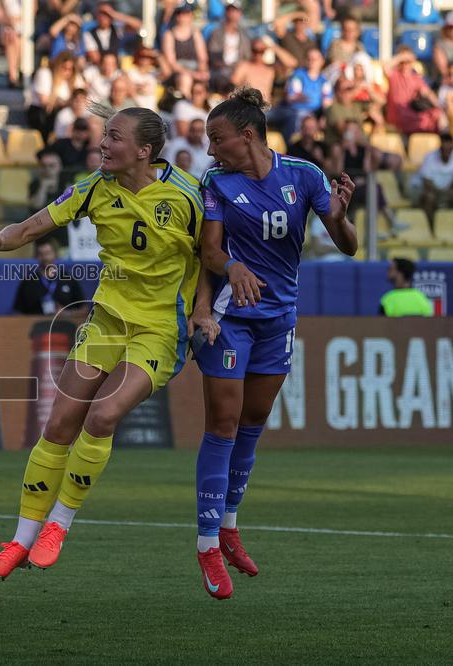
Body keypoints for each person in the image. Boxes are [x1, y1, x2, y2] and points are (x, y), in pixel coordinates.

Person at [0, 105, 212, 580]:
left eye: (114, 137)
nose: (102, 144)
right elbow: (34, 225)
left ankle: (59, 524)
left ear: (144, 151)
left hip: (161, 329)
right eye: (104, 135)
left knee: (103, 414)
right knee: (60, 421)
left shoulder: (189, 194)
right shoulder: (93, 187)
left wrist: (203, 310)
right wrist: (1, 239)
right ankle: (20, 541)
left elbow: (211, 257)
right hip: (106, 319)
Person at [193, 88, 356, 600]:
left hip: (279, 318)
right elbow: (210, 250)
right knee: (222, 423)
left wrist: (342, 215)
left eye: (216, 138)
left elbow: (348, 247)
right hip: (228, 317)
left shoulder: (304, 175)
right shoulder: (216, 182)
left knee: (252, 424)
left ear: (247, 134)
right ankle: (206, 546)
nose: (210, 148)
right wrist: (233, 268)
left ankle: (230, 526)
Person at [12, 237, 86, 316]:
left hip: (64, 325)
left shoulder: (69, 279)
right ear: (36, 256)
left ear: (55, 254)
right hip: (36, 326)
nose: (45, 258)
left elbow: (84, 309)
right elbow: (17, 312)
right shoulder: (28, 281)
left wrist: (67, 314)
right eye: (41, 254)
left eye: (47, 253)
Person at [410, 133, 453, 230]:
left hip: (443, 191)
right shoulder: (430, 157)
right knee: (430, 197)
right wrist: (442, 194)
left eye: (450, 149)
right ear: (440, 148)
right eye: (444, 149)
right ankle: (431, 227)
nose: (447, 152)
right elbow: (427, 183)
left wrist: (447, 192)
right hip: (423, 189)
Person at [206, 0, 251, 91]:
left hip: (238, 69)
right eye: (230, 10)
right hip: (220, 70)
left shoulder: (245, 35)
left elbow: (247, 57)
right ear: (226, 12)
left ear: (240, 13)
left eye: (235, 11)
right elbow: (213, 56)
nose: (233, 13)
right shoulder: (216, 33)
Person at [161, 4, 209, 88]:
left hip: (195, 69)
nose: (183, 16)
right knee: (185, 79)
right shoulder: (169, 35)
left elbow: (203, 58)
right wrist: (192, 74)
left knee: (204, 80)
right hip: (178, 72)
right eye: (180, 13)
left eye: (186, 13)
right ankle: (185, 100)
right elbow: (172, 62)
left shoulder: (196, 33)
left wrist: (202, 71)